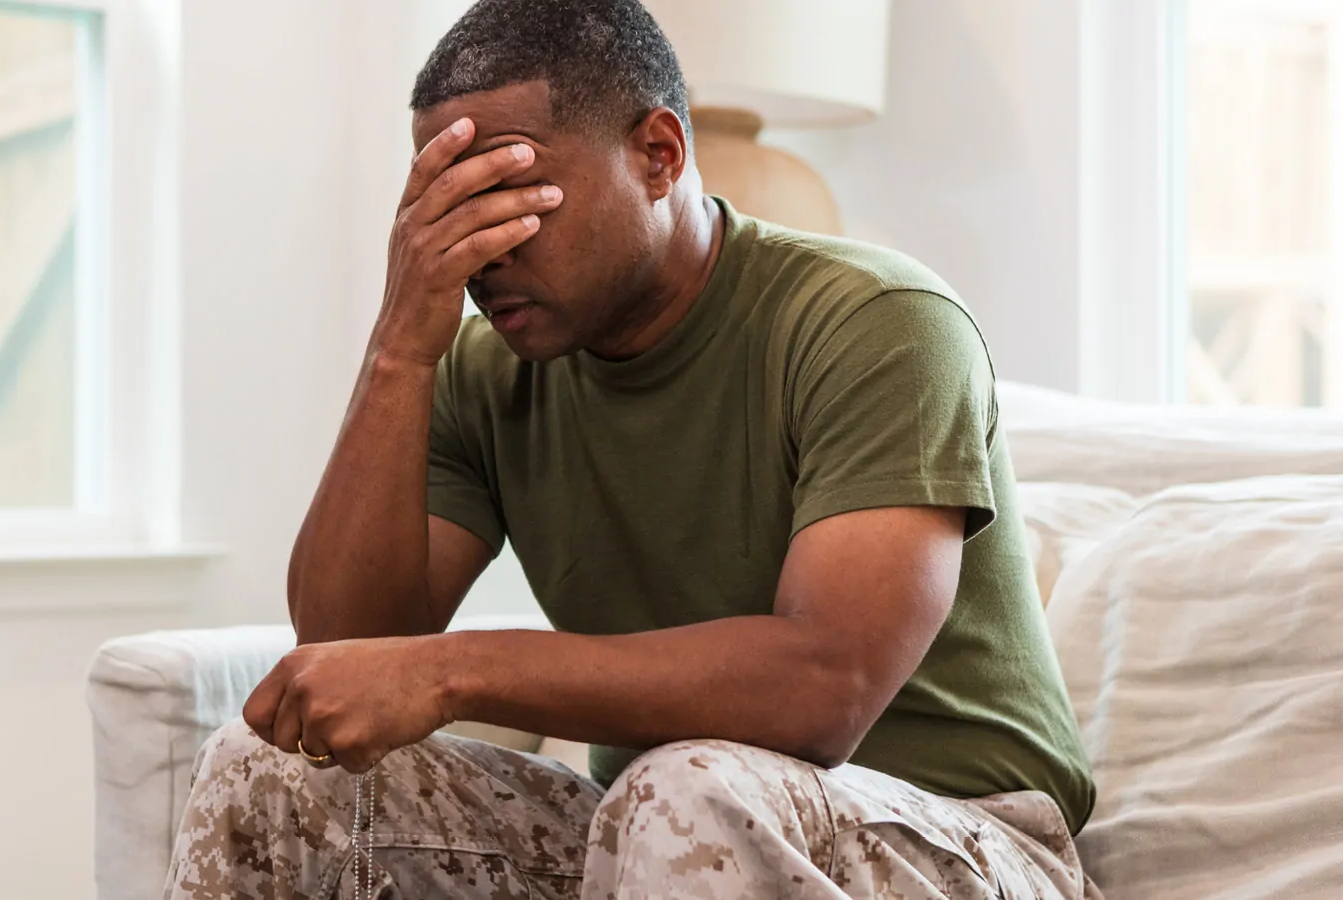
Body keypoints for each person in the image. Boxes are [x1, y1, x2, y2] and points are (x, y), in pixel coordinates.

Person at [164, 0, 1098, 897]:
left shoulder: (877, 324)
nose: (480, 252)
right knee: (271, 775)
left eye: (510, 196)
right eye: (449, 207)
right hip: (660, 831)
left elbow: (823, 689)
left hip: (966, 842)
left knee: (688, 787)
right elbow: (346, 658)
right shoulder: (480, 370)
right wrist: (399, 347)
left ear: (659, 154)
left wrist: (453, 671)